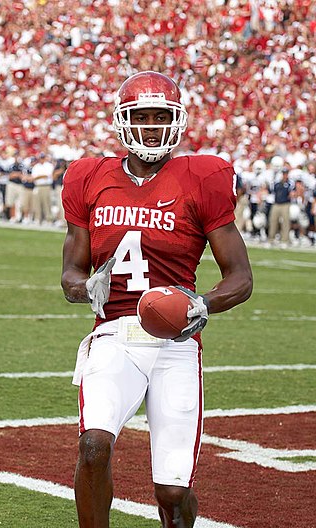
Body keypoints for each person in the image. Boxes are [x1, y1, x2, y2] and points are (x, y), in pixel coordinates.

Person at [61, 71, 253, 528]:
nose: (150, 126)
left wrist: (202, 304)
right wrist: (85, 287)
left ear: (177, 120)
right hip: (113, 335)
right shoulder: (89, 177)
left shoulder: (202, 178)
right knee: (93, 446)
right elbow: (71, 271)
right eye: (141, 116)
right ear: (123, 121)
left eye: (160, 116)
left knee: (173, 492)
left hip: (175, 343)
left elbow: (240, 276)